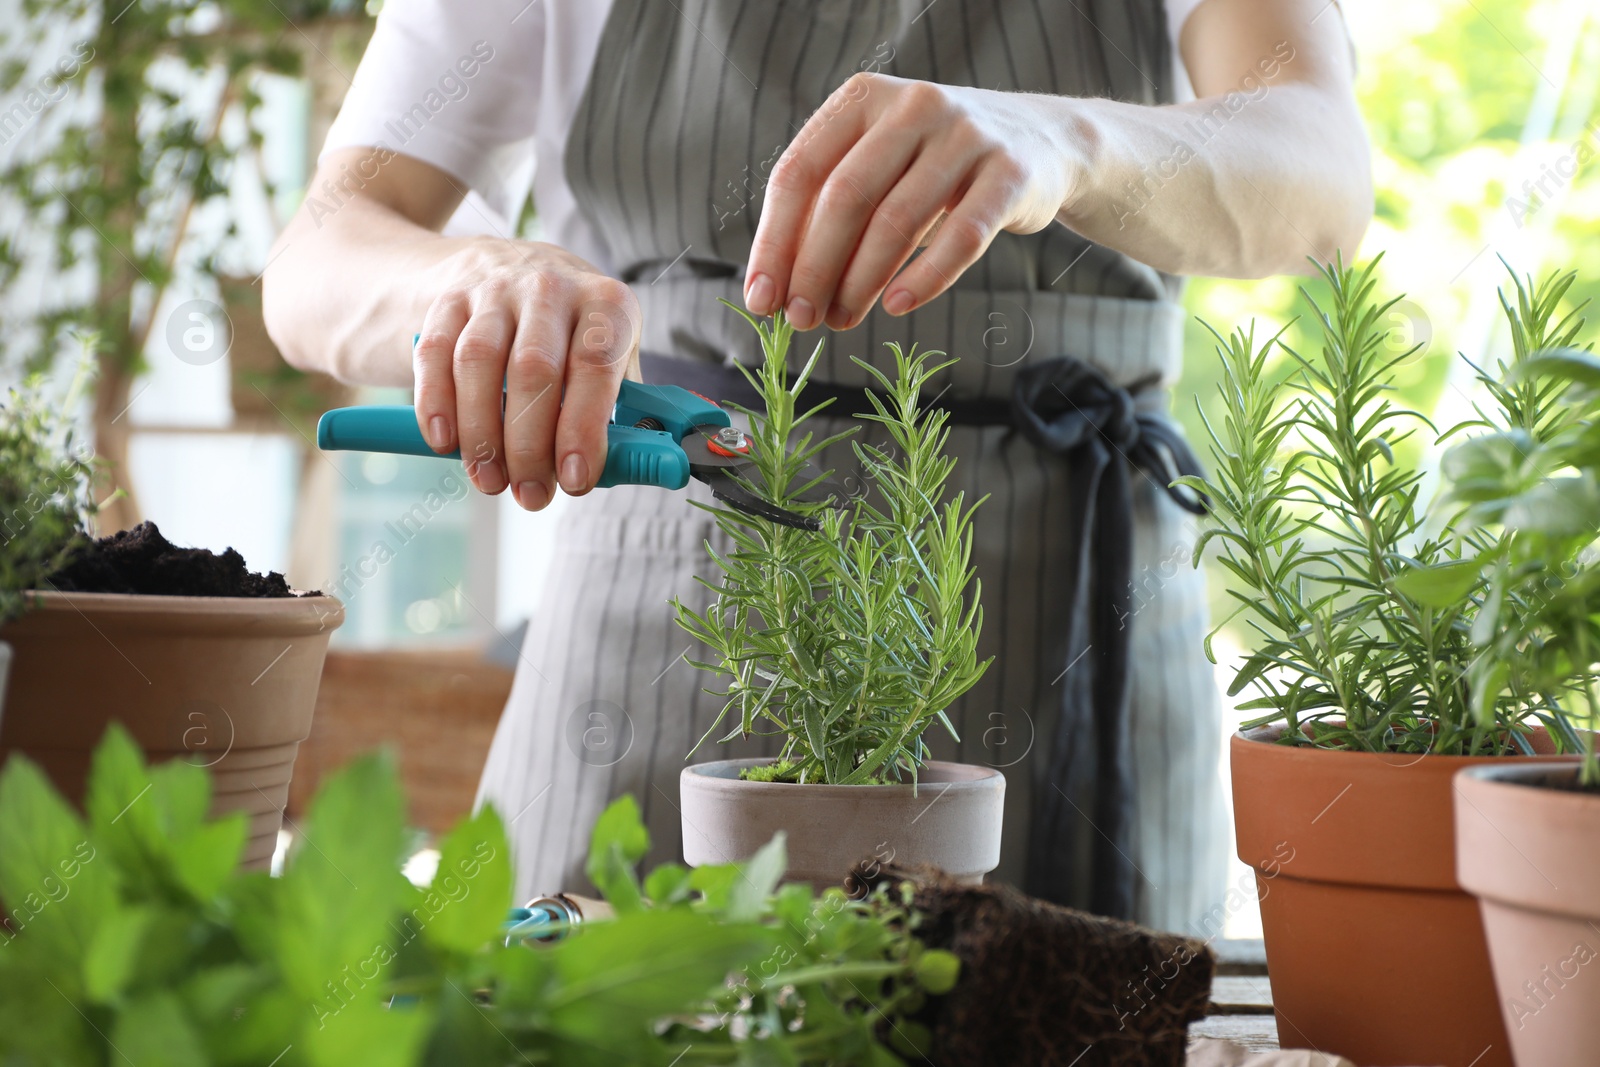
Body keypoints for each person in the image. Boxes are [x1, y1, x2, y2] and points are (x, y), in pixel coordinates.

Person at [264, 0, 1369, 933]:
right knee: (586, 1011)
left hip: (1078, 619)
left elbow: (1319, 167)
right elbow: (321, 251)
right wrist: (468, 281)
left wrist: (1072, 141)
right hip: (658, 625)